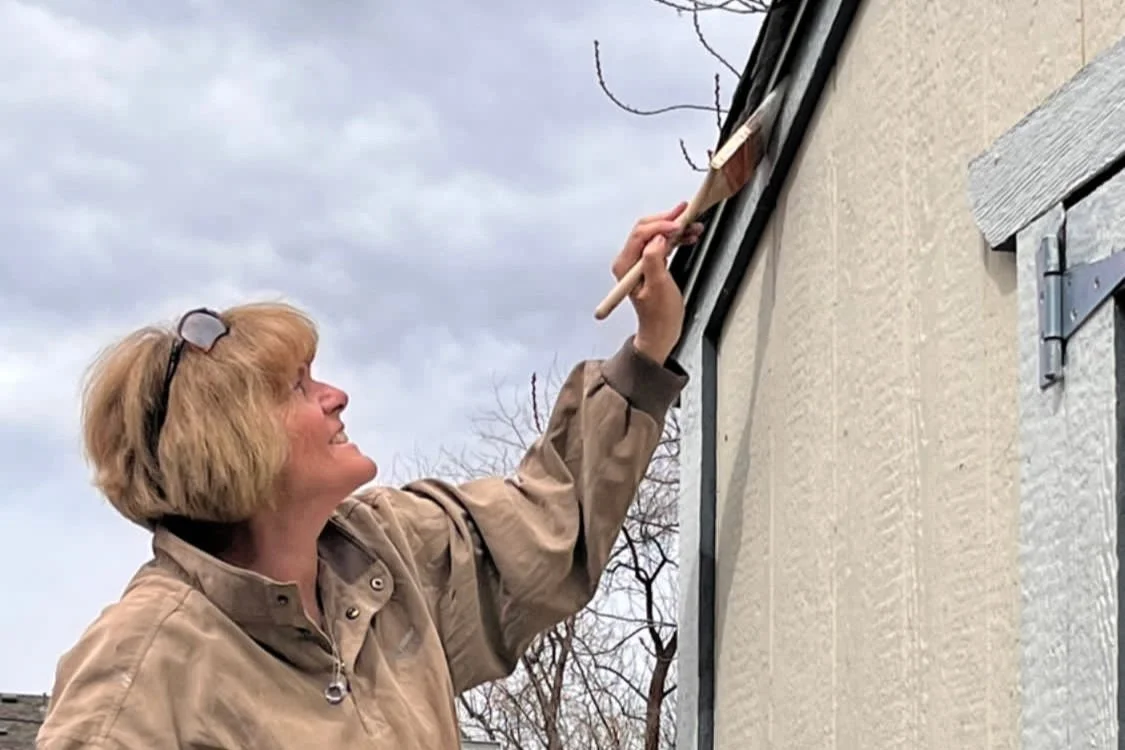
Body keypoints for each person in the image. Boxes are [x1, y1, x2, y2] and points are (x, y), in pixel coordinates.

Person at [36, 203, 700, 750]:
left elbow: (549, 524)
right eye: (298, 387)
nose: (336, 395)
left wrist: (647, 349)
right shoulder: (141, 666)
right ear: (227, 443)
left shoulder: (388, 553)